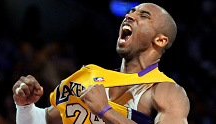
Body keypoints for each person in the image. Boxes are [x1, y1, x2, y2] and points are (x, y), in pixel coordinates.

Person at [12, 3, 190, 124]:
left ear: (160, 40)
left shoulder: (166, 90)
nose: (129, 16)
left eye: (144, 16)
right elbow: (43, 120)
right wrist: (25, 106)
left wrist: (105, 110)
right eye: (131, 12)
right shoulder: (89, 77)